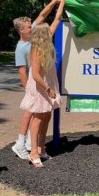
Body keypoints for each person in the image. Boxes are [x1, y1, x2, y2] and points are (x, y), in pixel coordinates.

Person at [11, 0, 65, 159]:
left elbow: (44, 15)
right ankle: (22, 143)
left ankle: (32, 144)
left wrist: (57, 0)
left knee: (42, 114)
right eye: (28, 27)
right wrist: (29, 89)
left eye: (31, 25)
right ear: (22, 30)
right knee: (31, 112)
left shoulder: (37, 35)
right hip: (34, 83)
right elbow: (22, 71)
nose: (32, 27)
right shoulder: (22, 47)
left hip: (44, 80)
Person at [20, 22, 61, 168]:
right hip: (40, 86)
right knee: (37, 117)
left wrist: (61, 1)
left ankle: (41, 148)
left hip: (48, 84)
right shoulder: (36, 49)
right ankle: (33, 153)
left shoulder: (47, 46)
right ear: (44, 35)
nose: (52, 32)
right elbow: (36, 75)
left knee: (47, 116)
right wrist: (48, 89)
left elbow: (56, 21)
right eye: (49, 32)